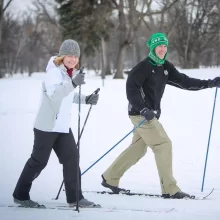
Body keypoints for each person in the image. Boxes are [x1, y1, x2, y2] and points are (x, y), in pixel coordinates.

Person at [101, 32, 220, 199]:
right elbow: (131, 89)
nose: (162, 49)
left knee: (138, 149)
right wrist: (143, 109)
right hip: (140, 114)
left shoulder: (165, 67)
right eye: (159, 46)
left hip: (150, 115)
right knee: (163, 144)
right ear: (152, 47)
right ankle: (170, 189)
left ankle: (110, 178)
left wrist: (209, 83)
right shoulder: (143, 67)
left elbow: (184, 81)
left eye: (165, 46)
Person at [13, 39, 100, 208]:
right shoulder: (53, 72)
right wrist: (74, 83)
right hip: (46, 126)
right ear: (62, 56)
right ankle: (20, 195)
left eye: (75, 56)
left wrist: (86, 98)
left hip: (62, 127)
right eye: (69, 56)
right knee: (38, 162)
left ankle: (75, 198)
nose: (73, 59)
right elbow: (55, 95)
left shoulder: (69, 73)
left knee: (72, 159)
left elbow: (68, 95)